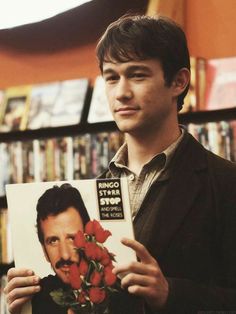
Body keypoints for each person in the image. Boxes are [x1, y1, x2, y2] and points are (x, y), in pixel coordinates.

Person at [4, 14, 236, 314]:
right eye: (111, 77)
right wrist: (23, 304)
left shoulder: (226, 184)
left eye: (137, 75)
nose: (121, 92)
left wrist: (171, 294)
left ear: (178, 81)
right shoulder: (89, 193)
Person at [5, 183, 90, 314]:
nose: (65, 255)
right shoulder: (35, 298)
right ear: (44, 250)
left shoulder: (119, 292)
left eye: (72, 238)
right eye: (53, 241)